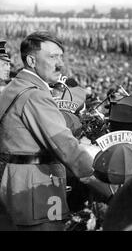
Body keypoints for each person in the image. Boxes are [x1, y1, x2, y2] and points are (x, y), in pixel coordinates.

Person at [0, 31, 98, 231]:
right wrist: (100, 178)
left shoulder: (14, 86)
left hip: (14, 183)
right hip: (36, 189)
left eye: (61, 56)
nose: (60, 64)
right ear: (31, 61)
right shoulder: (35, 96)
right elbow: (66, 147)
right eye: (52, 57)